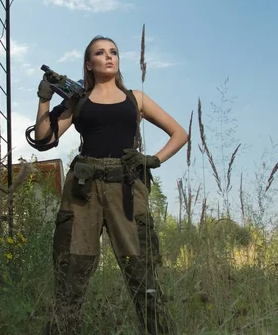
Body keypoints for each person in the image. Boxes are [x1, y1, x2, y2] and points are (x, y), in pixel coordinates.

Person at [33, 35, 188, 334]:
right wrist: (44, 99)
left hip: (127, 187)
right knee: (71, 275)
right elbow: (44, 139)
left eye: (113, 52)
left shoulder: (136, 98)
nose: (109, 57)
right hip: (83, 191)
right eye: (100, 53)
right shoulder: (78, 99)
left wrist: (152, 160)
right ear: (89, 64)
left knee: (143, 276)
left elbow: (179, 133)